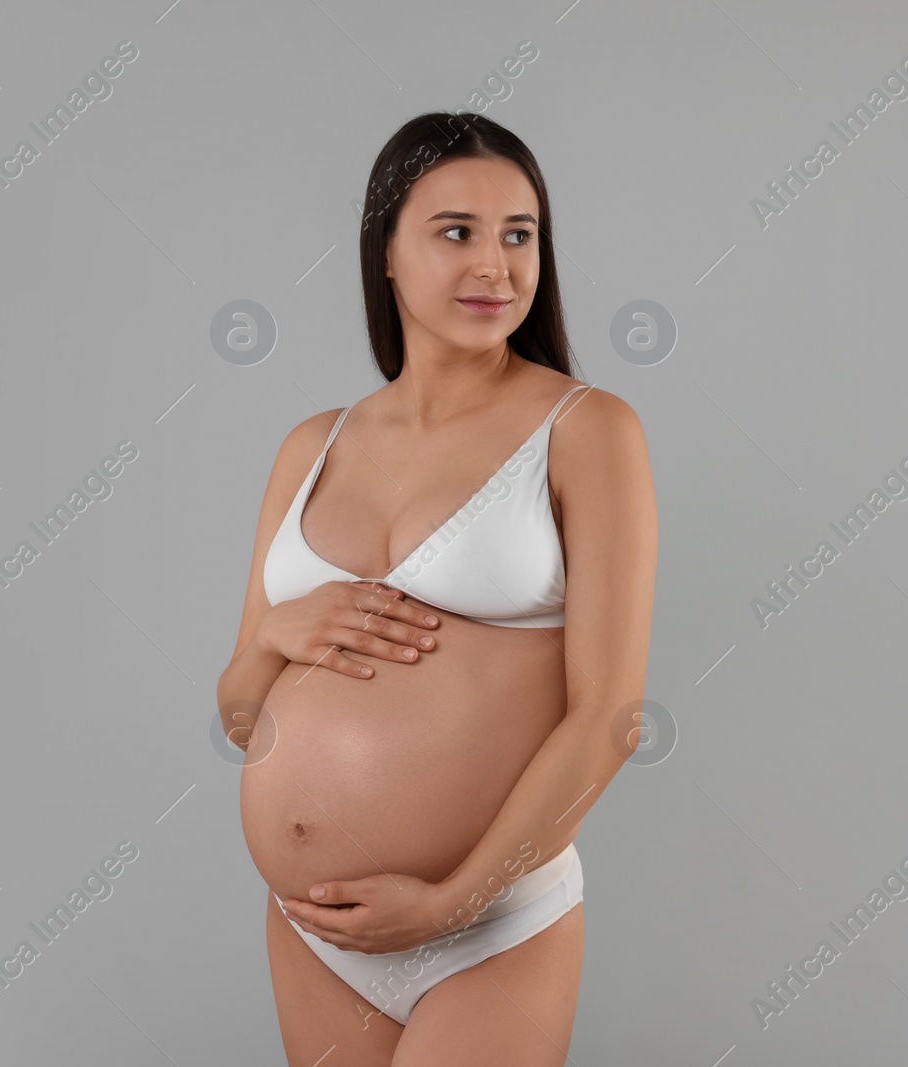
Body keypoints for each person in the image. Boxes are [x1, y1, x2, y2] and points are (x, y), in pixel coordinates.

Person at [216, 110, 657, 1066]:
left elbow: (610, 717)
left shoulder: (587, 431)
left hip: (490, 923)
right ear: (384, 250)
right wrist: (271, 639)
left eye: (519, 235)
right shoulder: (312, 445)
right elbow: (242, 718)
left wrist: (450, 900)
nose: (494, 266)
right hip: (314, 929)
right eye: (456, 231)